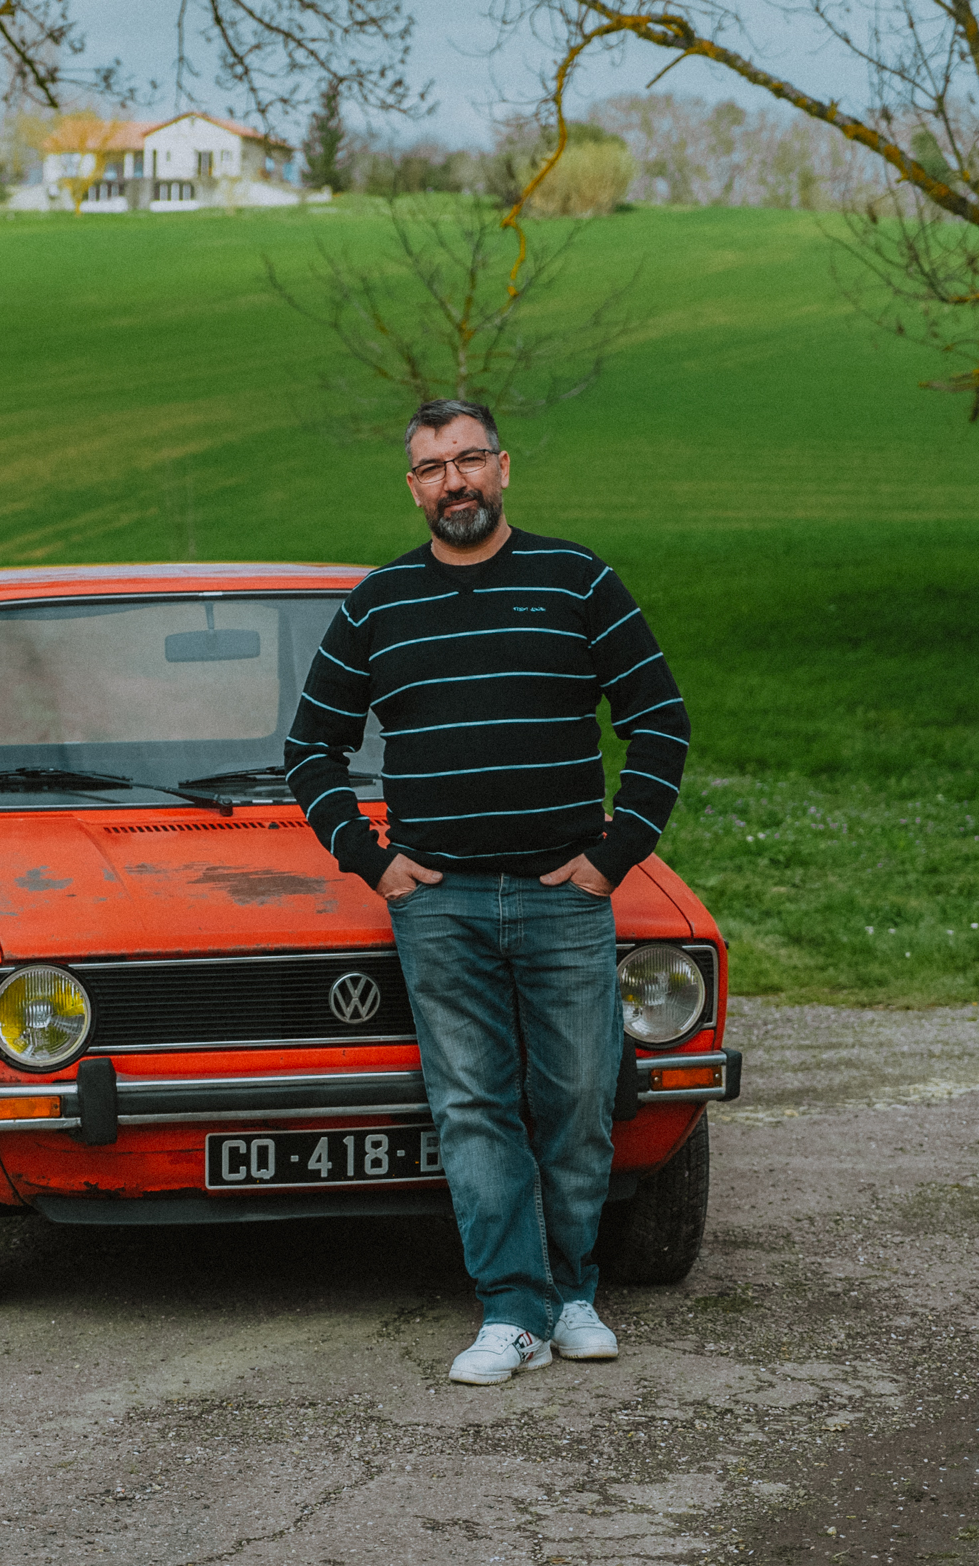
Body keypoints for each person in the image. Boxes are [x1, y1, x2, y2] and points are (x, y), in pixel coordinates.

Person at [283, 398, 690, 1386]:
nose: (453, 481)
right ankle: (510, 1309)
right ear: (413, 486)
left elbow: (661, 721)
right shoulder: (379, 602)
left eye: (470, 460)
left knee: (580, 1096)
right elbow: (309, 748)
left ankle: (573, 1291)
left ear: (503, 469)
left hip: (564, 893)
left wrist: (613, 851)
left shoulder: (577, 580)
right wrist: (373, 860)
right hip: (440, 901)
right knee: (473, 1106)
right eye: (432, 467)